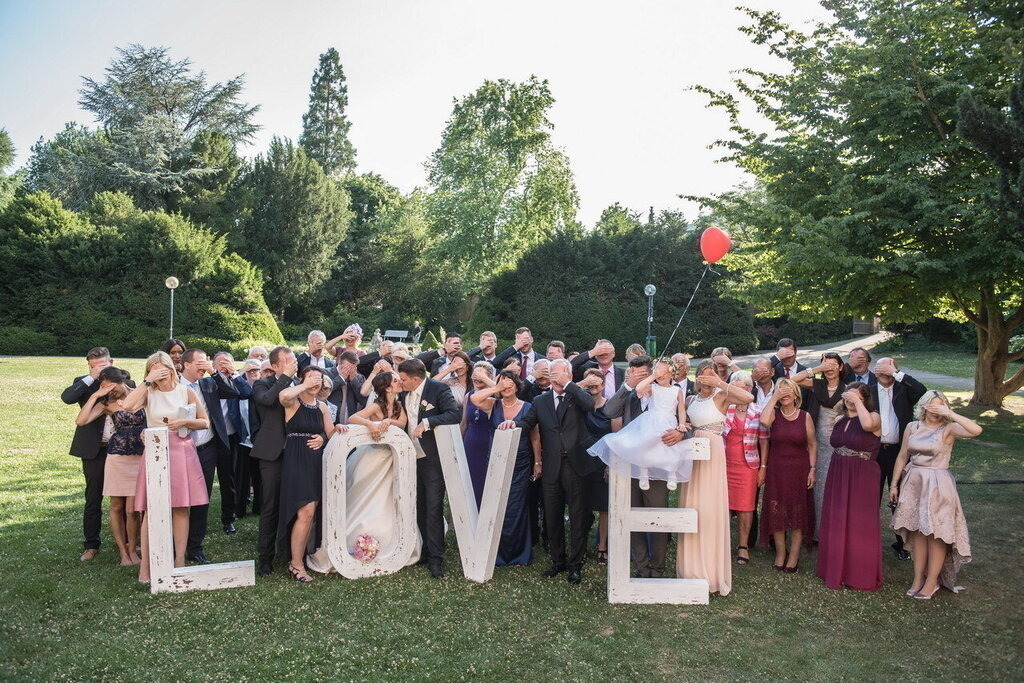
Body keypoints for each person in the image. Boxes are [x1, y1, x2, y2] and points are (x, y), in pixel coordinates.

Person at [500, 359, 597, 585]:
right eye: (552, 374)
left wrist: (569, 384)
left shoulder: (577, 394)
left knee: (577, 515)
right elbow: (527, 422)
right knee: (552, 516)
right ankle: (558, 560)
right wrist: (512, 424)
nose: (555, 378)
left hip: (576, 465)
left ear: (569, 376)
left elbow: (589, 406)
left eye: (560, 374)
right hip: (552, 464)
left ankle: (576, 563)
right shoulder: (540, 400)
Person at [121, 351, 210, 584]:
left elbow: (204, 422)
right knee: (151, 509)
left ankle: (179, 561)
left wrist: (185, 422)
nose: (159, 374)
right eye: (153, 370)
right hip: (156, 450)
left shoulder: (185, 391)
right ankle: (146, 568)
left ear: (171, 368)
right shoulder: (148, 392)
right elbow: (128, 406)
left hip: (181, 450)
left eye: (162, 369)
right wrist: (147, 381)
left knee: (181, 507)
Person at [324, 371, 421, 571]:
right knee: (367, 497)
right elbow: (353, 418)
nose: (399, 383)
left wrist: (388, 422)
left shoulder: (399, 405)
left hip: (393, 458)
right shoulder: (377, 405)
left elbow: (402, 424)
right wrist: (372, 423)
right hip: (374, 457)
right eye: (395, 381)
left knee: (391, 497)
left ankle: (395, 543)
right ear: (387, 388)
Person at [890, 391, 981, 599]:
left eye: (940, 407)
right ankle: (917, 578)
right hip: (914, 482)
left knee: (936, 533)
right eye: (932, 406)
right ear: (923, 407)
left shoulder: (948, 428)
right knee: (918, 531)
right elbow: (903, 456)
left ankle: (932, 582)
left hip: (938, 484)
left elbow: (977, 430)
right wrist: (894, 485)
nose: (935, 411)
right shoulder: (912, 427)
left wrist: (950, 413)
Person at [676, 360, 754, 596]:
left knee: (709, 507)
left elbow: (748, 399)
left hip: (713, 452)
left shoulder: (722, 396)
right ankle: (689, 569)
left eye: (711, 376)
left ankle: (710, 572)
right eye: (704, 376)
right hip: (692, 451)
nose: (707, 380)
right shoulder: (689, 399)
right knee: (691, 505)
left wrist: (720, 382)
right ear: (697, 377)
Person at [179, 349, 247, 563]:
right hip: (180, 447)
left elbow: (235, 393)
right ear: (186, 365)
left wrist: (215, 373)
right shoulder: (175, 385)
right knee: (179, 497)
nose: (203, 366)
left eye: (205, 362)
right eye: (199, 362)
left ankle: (195, 546)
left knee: (202, 496)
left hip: (207, 446)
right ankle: (175, 540)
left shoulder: (209, 383)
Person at [397, 358, 462, 579]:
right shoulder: (402, 392)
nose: (401, 382)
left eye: (404, 379)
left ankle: (436, 558)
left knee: (434, 508)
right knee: (419, 506)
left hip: (433, 459)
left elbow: (454, 414)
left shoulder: (439, 389)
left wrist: (427, 423)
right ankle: (423, 551)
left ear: (416, 379)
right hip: (409, 458)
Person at [816, 381, 883, 591]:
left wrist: (858, 404)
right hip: (838, 471)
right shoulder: (839, 419)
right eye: (849, 396)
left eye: (857, 397)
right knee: (837, 518)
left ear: (865, 399)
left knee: (859, 521)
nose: (852, 400)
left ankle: (859, 574)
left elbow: (867, 427)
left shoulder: (874, 417)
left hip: (862, 473)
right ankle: (835, 568)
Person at [74, 366, 143, 566]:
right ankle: (123, 553)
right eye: (105, 388)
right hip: (116, 457)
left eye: (111, 386)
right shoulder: (106, 404)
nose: (110, 391)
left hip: (138, 456)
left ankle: (133, 548)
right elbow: (81, 420)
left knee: (132, 510)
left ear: (121, 380)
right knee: (116, 505)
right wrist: (97, 394)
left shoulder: (140, 395)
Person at [470, 371, 541, 566]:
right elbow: (474, 398)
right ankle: (497, 551)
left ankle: (519, 554)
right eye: (503, 385)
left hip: (521, 462)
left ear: (518, 387)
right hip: (496, 461)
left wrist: (537, 461)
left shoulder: (527, 407)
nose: (506, 388)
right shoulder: (493, 404)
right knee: (496, 503)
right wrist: (497, 388)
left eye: (510, 385)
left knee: (516, 506)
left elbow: (535, 435)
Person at [588, 360, 690, 490]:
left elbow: (683, 412)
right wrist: (630, 384)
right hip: (631, 463)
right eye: (635, 374)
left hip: (660, 460)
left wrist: (681, 430)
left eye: (643, 374)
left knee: (655, 505)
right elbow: (609, 411)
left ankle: (671, 474)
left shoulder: (676, 391)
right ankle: (643, 472)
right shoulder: (638, 391)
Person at [276, 366, 336, 583]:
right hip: (296, 458)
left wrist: (323, 437)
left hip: (315, 460)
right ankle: (296, 564)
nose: (316, 381)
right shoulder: (294, 401)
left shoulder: (322, 407)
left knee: (312, 511)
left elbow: (330, 433)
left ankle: (300, 558)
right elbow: (283, 395)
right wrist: (304, 384)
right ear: (301, 380)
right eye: (311, 377)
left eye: (319, 378)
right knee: (306, 510)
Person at [250, 346, 303, 577]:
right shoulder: (263, 384)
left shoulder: (299, 383)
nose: (294, 362)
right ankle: (265, 557)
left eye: (293, 359)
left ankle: (291, 553)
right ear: (275, 365)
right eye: (288, 360)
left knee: (296, 504)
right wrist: (285, 378)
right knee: (270, 506)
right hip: (272, 453)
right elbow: (269, 401)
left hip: (297, 452)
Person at [60, 346, 115, 561]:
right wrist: (91, 378)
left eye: (102, 366)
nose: (99, 370)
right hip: (94, 449)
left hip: (119, 449)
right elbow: (67, 398)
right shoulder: (83, 382)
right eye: (94, 367)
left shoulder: (124, 381)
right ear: (89, 366)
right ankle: (91, 544)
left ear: (111, 362)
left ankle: (129, 542)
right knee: (93, 497)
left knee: (123, 499)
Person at [872, 357, 927, 560]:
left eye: (888, 370)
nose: (884, 374)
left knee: (901, 497)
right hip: (874, 452)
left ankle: (902, 543)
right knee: (871, 496)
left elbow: (923, 392)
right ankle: (870, 539)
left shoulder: (904, 389)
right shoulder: (868, 389)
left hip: (899, 452)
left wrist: (895, 374)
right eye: (880, 370)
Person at [759, 378, 817, 571]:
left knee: (797, 512)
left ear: (796, 394)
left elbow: (812, 444)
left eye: (788, 391)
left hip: (799, 469)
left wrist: (812, 469)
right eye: (780, 390)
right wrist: (774, 397)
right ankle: (781, 552)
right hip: (777, 470)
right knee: (778, 511)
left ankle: (793, 555)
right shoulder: (774, 415)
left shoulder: (804, 416)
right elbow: (764, 421)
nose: (784, 394)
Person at [790, 352, 847, 540]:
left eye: (833, 365)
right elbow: (794, 379)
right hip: (817, 442)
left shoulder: (847, 389)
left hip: (839, 444)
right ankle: (816, 533)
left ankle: (834, 530)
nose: (829, 368)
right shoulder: (818, 385)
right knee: (818, 486)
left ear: (840, 367)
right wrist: (817, 369)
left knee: (836, 487)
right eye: (826, 365)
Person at [721, 371, 769, 566]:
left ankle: (743, 546)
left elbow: (764, 441)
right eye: (735, 388)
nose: (739, 391)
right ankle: (721, 543)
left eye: (743, 388)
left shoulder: (758, 410)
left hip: (748, 465)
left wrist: (763, 467)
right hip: (723, 463)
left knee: (746, 507)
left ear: (750, 389)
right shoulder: (724, 408)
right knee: (722, 505)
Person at [580, 367, 617, 568]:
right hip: (582, 459)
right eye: (589, 382)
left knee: (604, 507)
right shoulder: (579, 405)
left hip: (602, 461)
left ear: (603, 385)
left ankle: (602, 546)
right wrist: (583, 384)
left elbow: (615, 437)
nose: (593, 385)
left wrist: (610, 465)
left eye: (597, 382)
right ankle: (581, 545)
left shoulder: (610, 407)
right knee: (583, 506)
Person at [463, 363, 497, 506]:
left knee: (486, 481)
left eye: (480, 376)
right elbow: (464, 422)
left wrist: (487, 380)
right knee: (470, 480)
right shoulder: (468, 396)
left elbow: (506, 390)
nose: (476, 379)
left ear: (489, 377)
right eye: (474, 375)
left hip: (488, 443)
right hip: (470, 443)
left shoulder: (496, 395)